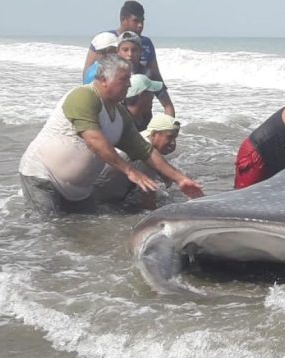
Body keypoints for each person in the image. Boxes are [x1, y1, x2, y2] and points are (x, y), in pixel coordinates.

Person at [19, 55, 202, 216]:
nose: (129, 84)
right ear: (104, 80)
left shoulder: (120, 114)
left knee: (88, 232)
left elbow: (145, 150)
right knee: (45, 229)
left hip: (79, 191)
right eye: (124, 79)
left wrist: (180, 179)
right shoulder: (83, 96)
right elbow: (94, 141)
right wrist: (130, 171)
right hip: (42, 176)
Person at [82, 1, 175, 117]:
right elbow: (88, 74)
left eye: (142, 21)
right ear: (123, 20)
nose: (140, 25)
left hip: (141, 107)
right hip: (114, 104)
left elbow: (156, 75)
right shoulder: (105, 41)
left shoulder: (146, 43)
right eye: (136, 21)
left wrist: (167, 105)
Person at [94, 113, 183, 209]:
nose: (173, 143)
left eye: (175, 138)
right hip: (101, 202)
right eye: (169, 137)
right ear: (154, 134)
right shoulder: (146, 155)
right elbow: (148, 200)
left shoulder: (139, 138)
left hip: (95, 189)